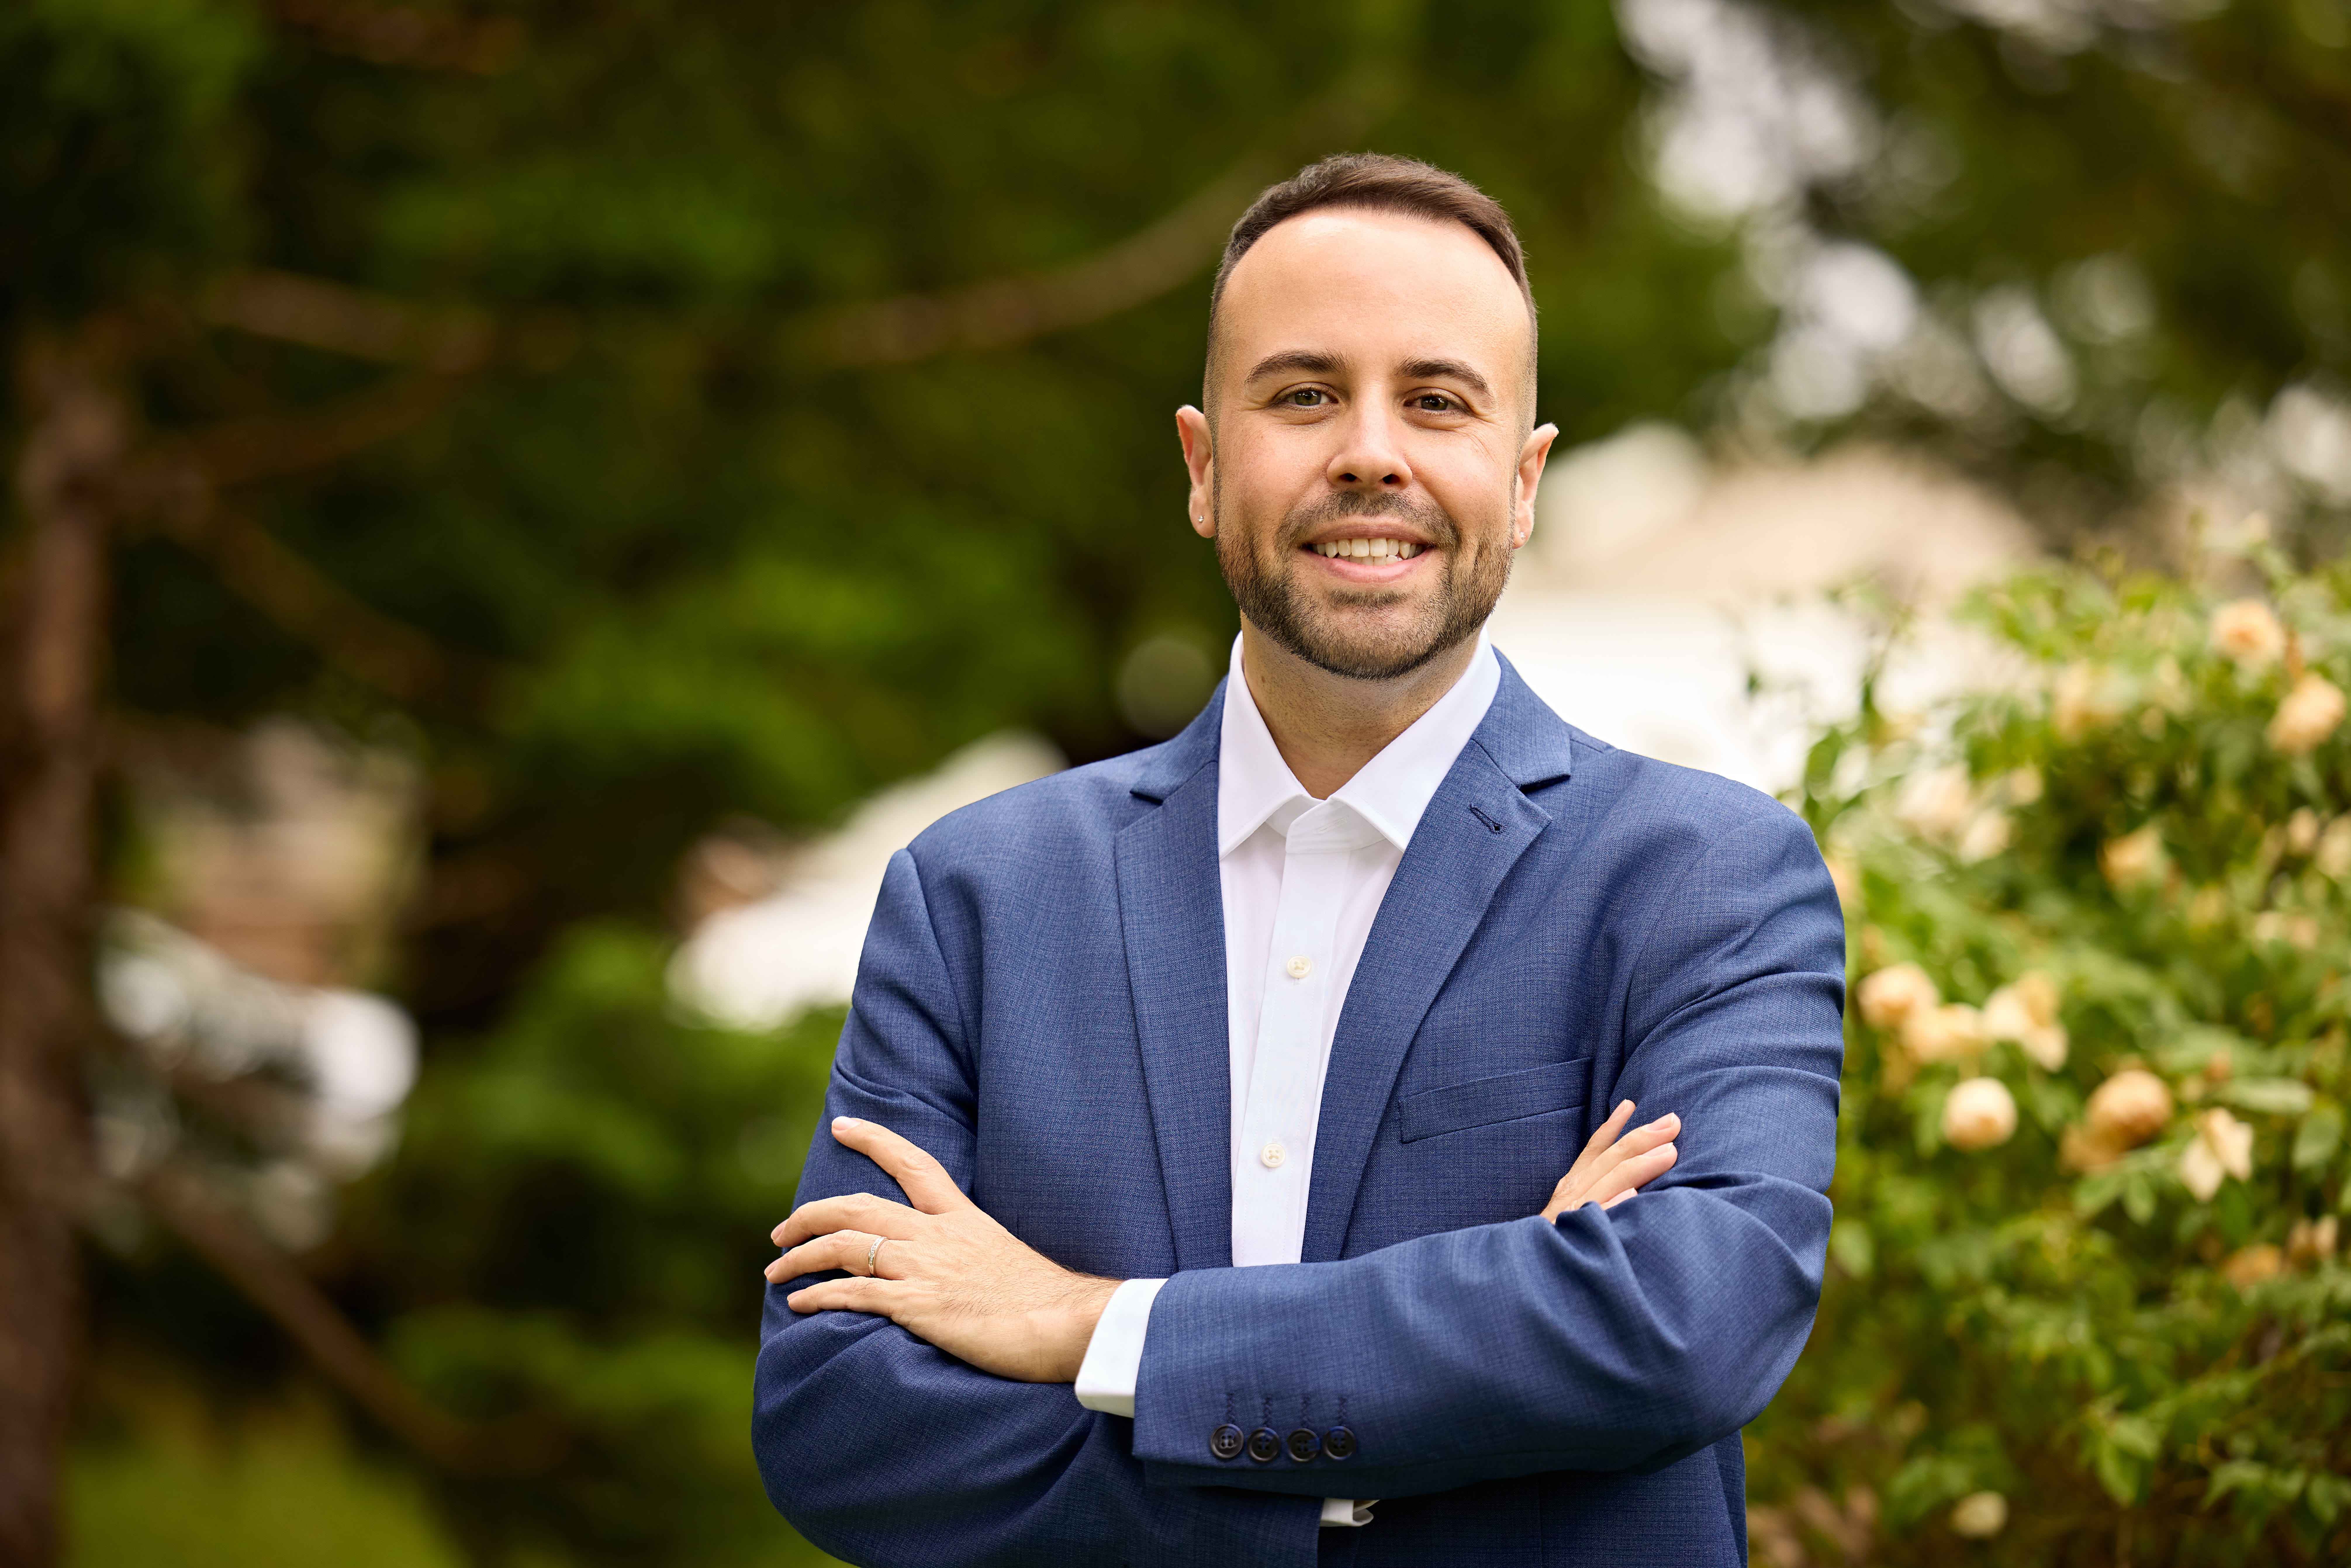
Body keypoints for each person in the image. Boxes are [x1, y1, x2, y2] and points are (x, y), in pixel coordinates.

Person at [751, 153, 1844, 1567]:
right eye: (1305, 394)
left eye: (1436, 401)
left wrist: (1087, 1326)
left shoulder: (1706, 880)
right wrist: (1489, 1367)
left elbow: (1687, 1322)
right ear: (1206, 469)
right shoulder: (976, 897)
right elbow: (843, 1424)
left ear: (1523, 484)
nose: (1370, 452)